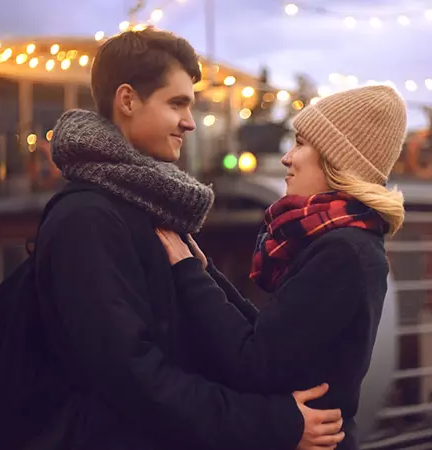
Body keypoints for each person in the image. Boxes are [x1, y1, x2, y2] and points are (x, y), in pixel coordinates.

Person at [34, 27, 344, 450]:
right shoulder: (88, 220)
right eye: (176, 103)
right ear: (127, 100)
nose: (190, 122)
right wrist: (272, 424)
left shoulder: (146, 205)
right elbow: (136, 382)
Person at [156, 85, 407, 449]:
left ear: (336, 161)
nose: (288, 158)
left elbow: (254, 362)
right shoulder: (348, 243)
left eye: (302, 144)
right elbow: (267, 336)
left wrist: (188, 274)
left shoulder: (341, 253)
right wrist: (206, 272)